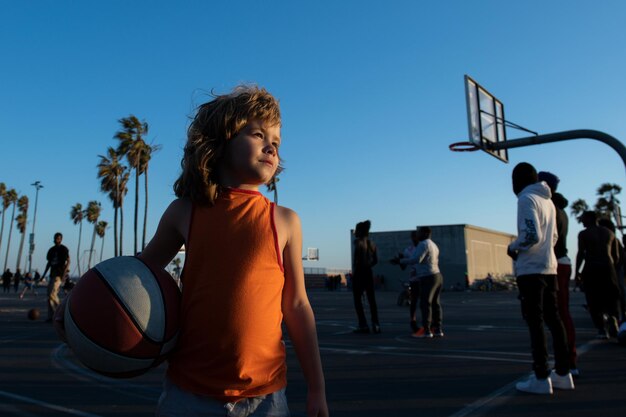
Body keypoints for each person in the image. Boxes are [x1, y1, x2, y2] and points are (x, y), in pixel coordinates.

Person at [137, 85, 328, 417]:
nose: (271, 145)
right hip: (188, 393)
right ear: (220, 141)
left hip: (264, 398)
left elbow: (297, 305)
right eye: (257, 133)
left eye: (277, 142)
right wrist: (82, 299)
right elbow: (140, 271)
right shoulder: (185, 211)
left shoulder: (284, 221)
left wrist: (317, 389)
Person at [507, 162, 574, 395]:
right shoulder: (548, 201)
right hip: (550, 268)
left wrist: (513, 247)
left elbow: (531, 235)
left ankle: (541, 376)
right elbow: (553, 237)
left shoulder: (526, 199)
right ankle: (563, 373)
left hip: (531, 270)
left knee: (535, 323)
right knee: (554, 320)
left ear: (519, 180)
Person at [537, 171, 578, 376]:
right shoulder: (559, 208)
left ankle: (567, 363)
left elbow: (544, 238)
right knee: (559, 315)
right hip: (561, 263)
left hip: (555, 264)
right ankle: (567, 362)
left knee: (558, 316)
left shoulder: (550, 207)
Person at [576, 211, 621, 339]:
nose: (582, 221)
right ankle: (613, 318)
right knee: (611, 296)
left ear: (590, 219)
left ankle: (602, 329)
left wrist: (577, 271)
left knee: (593, 299)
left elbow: (581, 253)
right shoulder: (610, 233)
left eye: (583, 219)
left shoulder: (584, 234)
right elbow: (616, 257)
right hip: (608, 267)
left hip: (592, 267)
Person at [394, 226, 444, 338]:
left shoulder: (423, 244)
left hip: (428, 277)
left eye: (418, 233)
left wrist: (400, 261)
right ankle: (438, 328)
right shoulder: (434, 245)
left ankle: (427, 330)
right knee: (436, 303)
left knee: (425, 303)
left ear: (424, 234)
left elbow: (417, 259)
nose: (416, 236)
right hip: (437, 275)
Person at [351, 220, 381, 334]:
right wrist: (368, 265)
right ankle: (376, 324)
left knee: (358, 300)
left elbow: (356, 261)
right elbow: (376, 260)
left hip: (359, 273)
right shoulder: (372, 243)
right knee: (371, 300)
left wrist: (356, 271)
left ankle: (363, 324)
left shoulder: (357, 243)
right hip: (368, 272)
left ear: (360, 231)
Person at [392, 231, 421, 333]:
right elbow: (403, 267)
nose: (413, 239)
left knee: (426, 302)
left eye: (415, 237)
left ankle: (429, 322)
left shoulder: (423, 247)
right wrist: (399, 259)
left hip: (424, 277)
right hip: (414, 279)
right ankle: (413, 321)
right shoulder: (408, 250)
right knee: (413, 301)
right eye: (412, 237)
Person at [41, 232, 70, 323]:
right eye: (56, 238)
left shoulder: (64, 249)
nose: (57, 240)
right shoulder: (51, 250)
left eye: (58, 238)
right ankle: (51, 316)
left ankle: (63, 310)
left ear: (61, 239)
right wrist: (43, 275)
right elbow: (49, 263)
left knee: (52, 294)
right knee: (49, 296)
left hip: (59, 275)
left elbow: (68, 261)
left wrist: (64, 275)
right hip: (52, 275)